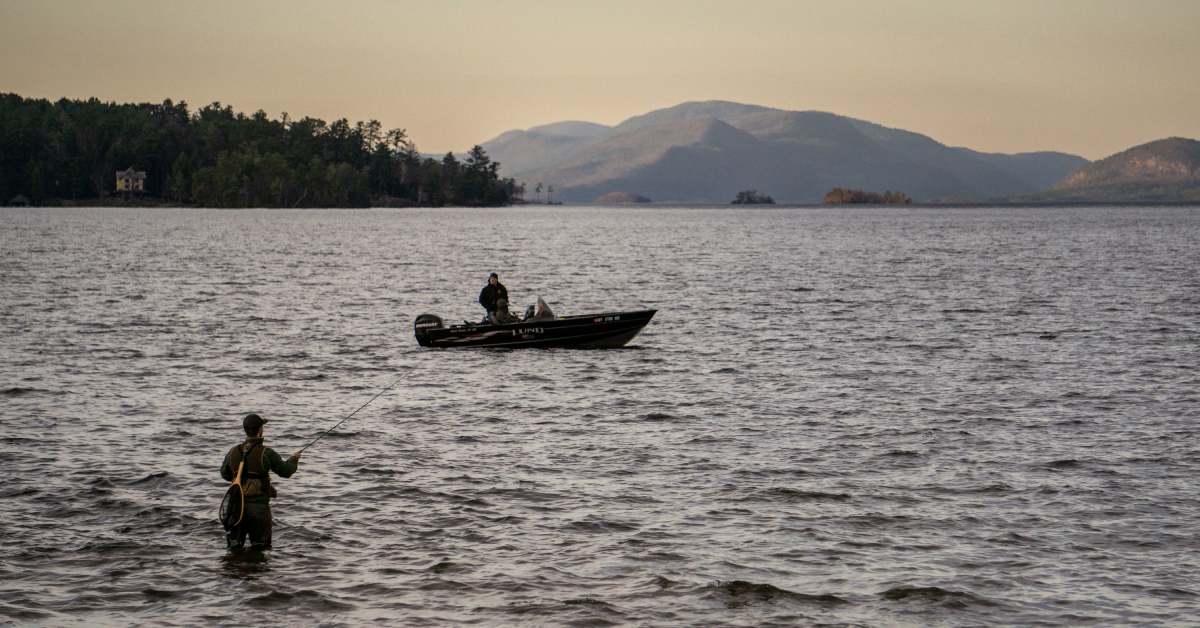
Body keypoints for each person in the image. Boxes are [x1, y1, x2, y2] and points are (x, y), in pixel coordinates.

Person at [220, 413, 301, 551]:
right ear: (260, 430)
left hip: (235, 509)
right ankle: (257, 570)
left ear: (245, 430)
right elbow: (286, 471)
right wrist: (293, 460)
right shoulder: (266, 453)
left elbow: (224, 474)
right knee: (260, 548)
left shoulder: (232, 452)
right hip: (258, 510)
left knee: (234, 549)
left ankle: (235, 571)